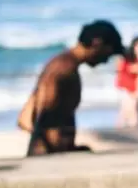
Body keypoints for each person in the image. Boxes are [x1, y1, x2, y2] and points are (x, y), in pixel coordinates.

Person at [17, 20, 125, 156]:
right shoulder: (64, 70)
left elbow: (24, 119)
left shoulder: (60, 64)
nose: (106, 60)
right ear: (97, 43)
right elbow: (47, 120)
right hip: (49, 158)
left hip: (47, 154)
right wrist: (64, 153)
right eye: (109, 53)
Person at [115, 34, 138, 128]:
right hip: (128, 86)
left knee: (130, 109)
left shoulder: (135, 56)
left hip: (129, 85)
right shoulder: (131, 57)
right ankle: (125, 128)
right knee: (128, 109)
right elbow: (132, 70)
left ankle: (127, 127)